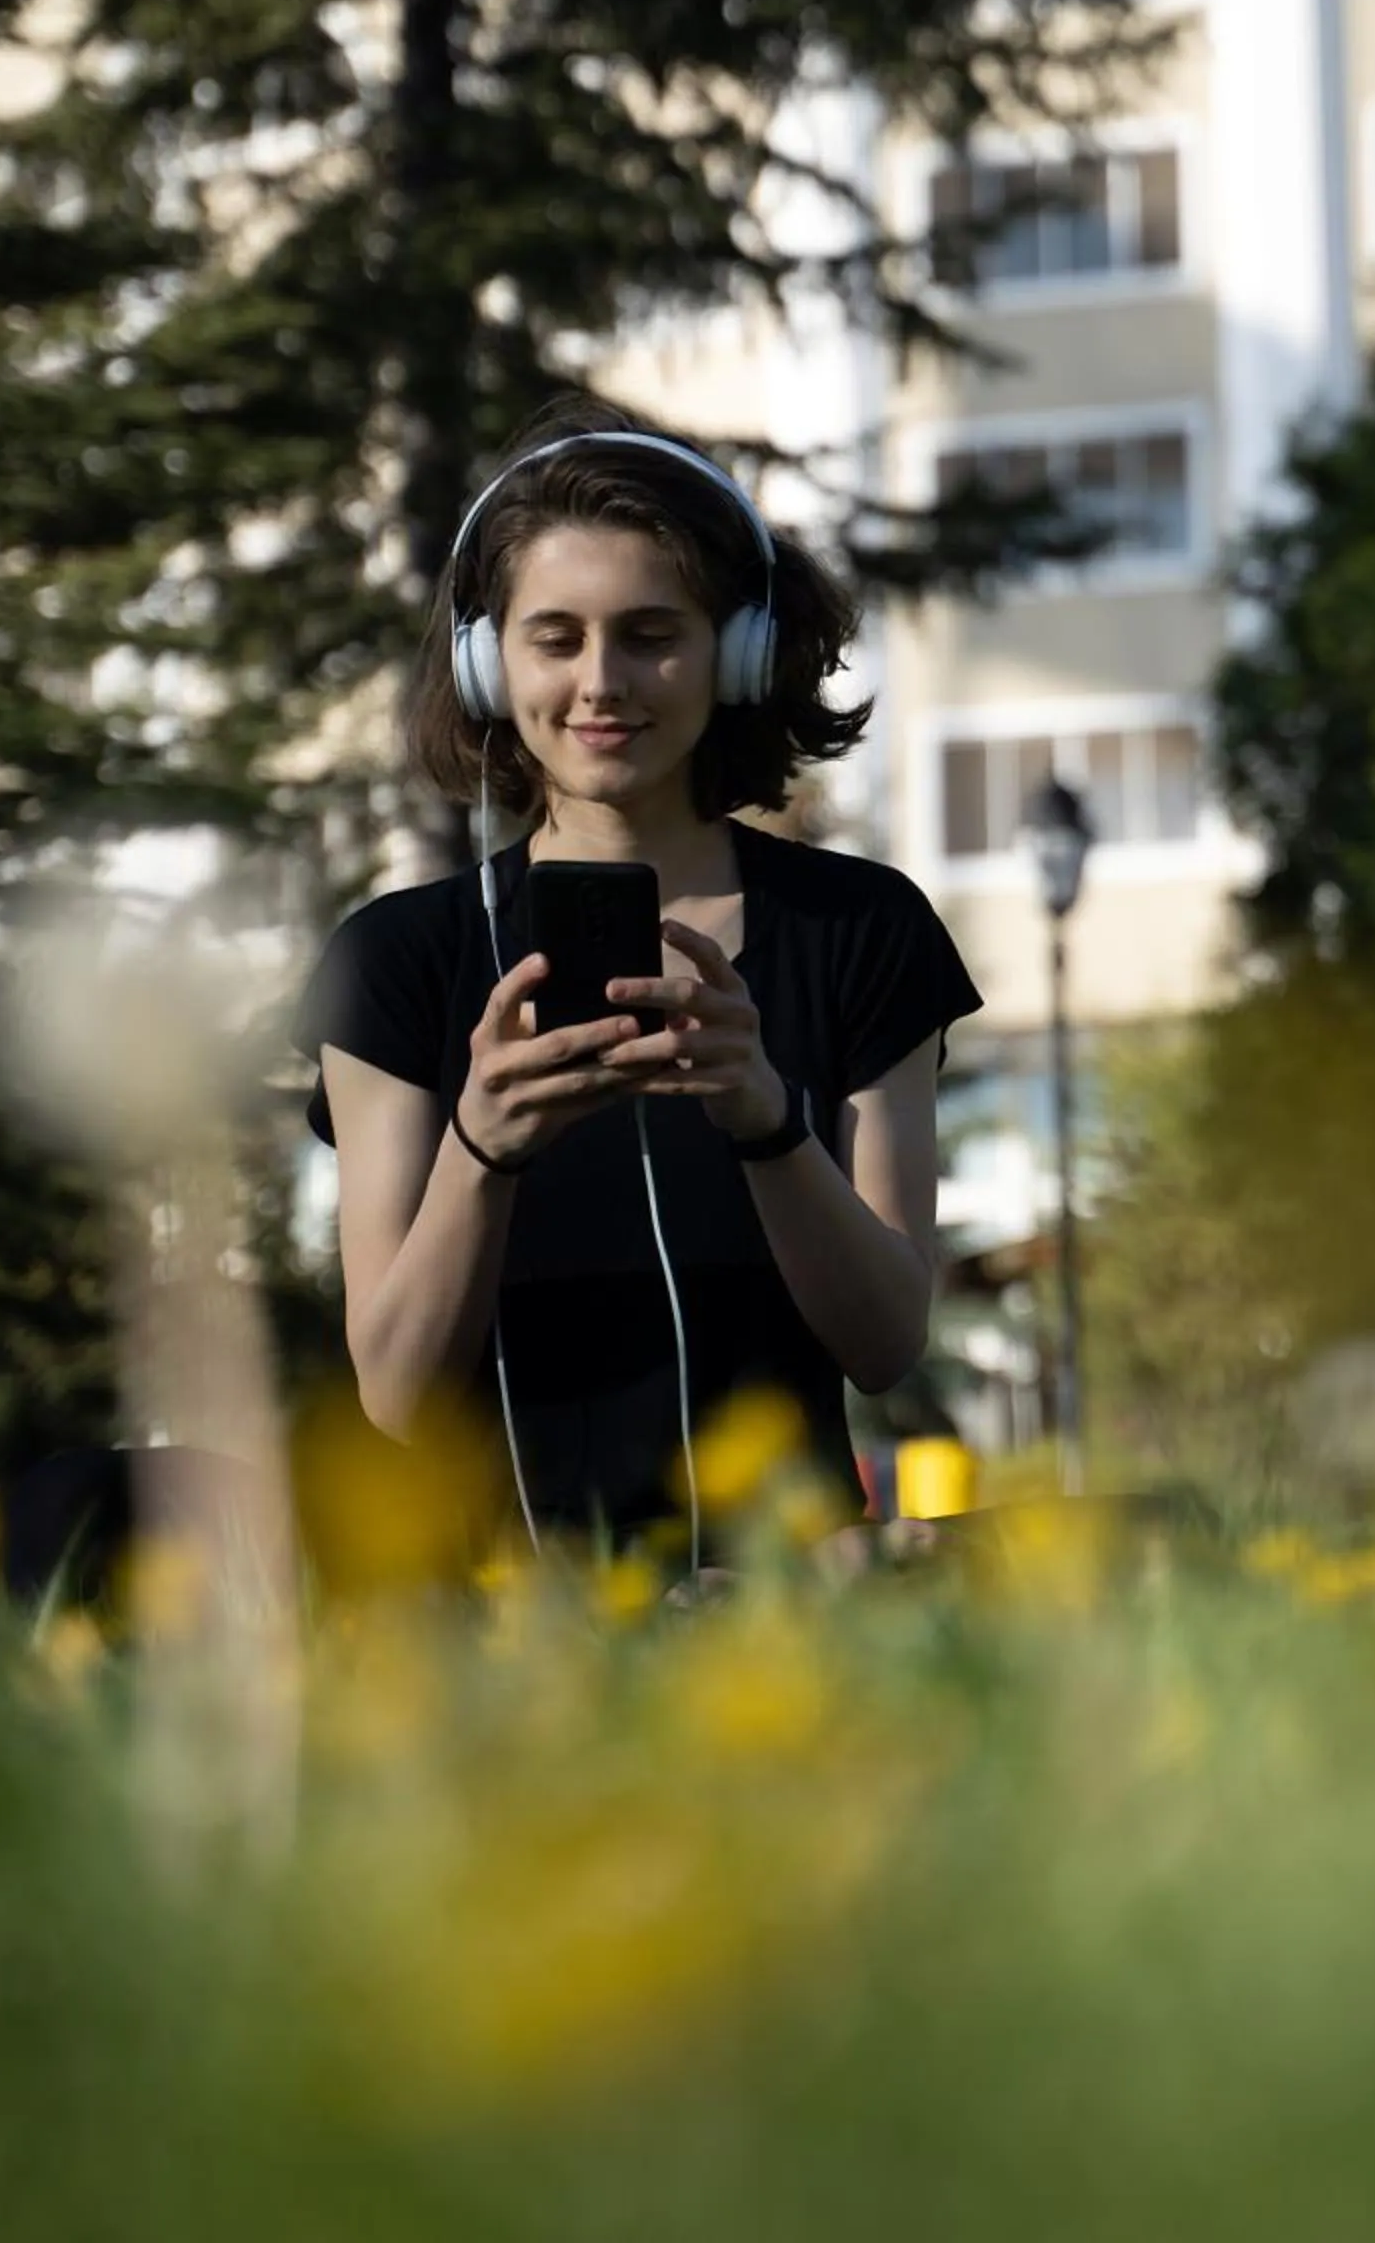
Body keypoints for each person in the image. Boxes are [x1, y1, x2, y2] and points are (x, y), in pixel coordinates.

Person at [291, 394, 983, 1567]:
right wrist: (482, 1146)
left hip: (785, 1624)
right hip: (501, 1642)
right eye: (553, 638)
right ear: (484, 665)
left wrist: (768, 1125)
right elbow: (396, 1395)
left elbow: (884, 1342)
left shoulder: (859, 930)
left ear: (737, 653)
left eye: (653, 633)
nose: (602, 681)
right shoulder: (394, 964)